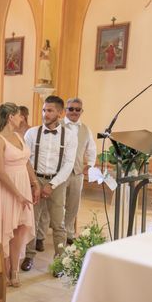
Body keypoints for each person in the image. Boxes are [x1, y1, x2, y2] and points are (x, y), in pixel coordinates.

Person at [0, 103, 40, 287]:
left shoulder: (18, 136)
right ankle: (3, 271)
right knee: (5, 229)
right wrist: (18, 195)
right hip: (5, 189)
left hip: (22, 184)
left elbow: (26, 161)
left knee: (20, 229)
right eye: (19, 115)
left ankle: (15, 270)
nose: (22, 118)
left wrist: (34, 183)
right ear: (10, 117)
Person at [21, 95, 77, 272]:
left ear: (60, 113)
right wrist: (34, 183)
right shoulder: (32, 133)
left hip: (58, 180)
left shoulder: (69, 135)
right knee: (31, 220)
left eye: (50, 110)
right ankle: (29, 256)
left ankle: (59, 261)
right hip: (34, 178)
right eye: (44, 110)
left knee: (58, 223)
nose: (45, 113)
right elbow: (26, 159)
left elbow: (69, 163)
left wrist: (52, 184)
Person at [63, 98, 96, 245]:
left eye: (78, 109)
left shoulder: (86, 129)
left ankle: (68, 233)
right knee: (52, 206)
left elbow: (91, 149)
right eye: (71, 109)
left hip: (77, 173)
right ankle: (42, 236)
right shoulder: (57, 126)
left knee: (73, 205)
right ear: (65, 110)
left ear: (81, 111)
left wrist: (89, 164)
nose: (74, 112)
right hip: (58, 173)